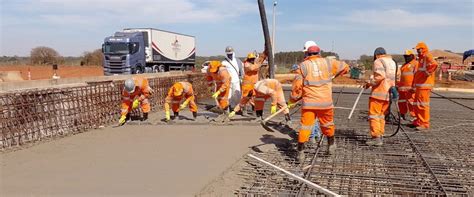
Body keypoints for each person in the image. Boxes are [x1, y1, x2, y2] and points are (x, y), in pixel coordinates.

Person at [289, 41, 349, 161]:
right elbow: (346, 67)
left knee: (305, 127)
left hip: (309, 104)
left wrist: (293, 100)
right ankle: (331, 145)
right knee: (327, 124)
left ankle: (300, 152)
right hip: (325, 103)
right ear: (319, 53)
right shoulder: (328, 62)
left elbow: (297, 87)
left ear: (307, 54)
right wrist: (336, 74)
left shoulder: (303, 66)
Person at [364, 47, 397, 146]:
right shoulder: (392, 62)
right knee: (381, 115)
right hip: (388, 93)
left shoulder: (379, 61)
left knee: (374, 115)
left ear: (376, 55)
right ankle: (380, 134)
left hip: (379, 93)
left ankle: (376, 137)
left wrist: (369, 83)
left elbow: (380, 76)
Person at [411, 42, 438, 131]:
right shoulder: (421, 58)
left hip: (424, 86)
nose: (418, 51)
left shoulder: (427, 56)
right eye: (417, 49)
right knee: (417, 105)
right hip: (420, 86)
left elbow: (434, 64)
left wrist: (428, 72)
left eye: (419, 49)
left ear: (423, 48)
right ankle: (419, 121)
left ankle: (424, 123)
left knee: (423, 105)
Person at [240, 50, 268, 114]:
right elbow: (252, 68)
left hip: (254, 83)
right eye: (251, 59)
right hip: (247, 84)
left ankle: (254, 109)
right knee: (246, 97)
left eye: (253, 59)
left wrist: (264, 54)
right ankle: (244, 109)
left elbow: (260, 60)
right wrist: (259, 65)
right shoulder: (246, 64)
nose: (252, 60)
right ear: (248, 59)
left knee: (254, 97)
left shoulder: (254, 63)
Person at [397, 50, 418, 121]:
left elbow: (417, 76)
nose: (406, 57)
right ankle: (402, 114)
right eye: (405, 56)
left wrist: (414, 87)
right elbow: (400, 76)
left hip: (410, 89)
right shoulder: (404, 65)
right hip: (402, 89)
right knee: (401, 102)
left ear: (412, 56)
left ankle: (414, 116)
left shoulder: (415, 64)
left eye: (407, 56)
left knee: (411, 102)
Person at [222, 46, 244, 111]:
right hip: (228, 82)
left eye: (231, 54)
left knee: (237, 95)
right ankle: (228, 108)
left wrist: (241, 78)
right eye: (228, 54)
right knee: (228, 95)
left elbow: (241, 70)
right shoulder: (224, 62)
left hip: (237, 81)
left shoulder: (238, 61)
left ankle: (238, 108)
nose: (230, 55)